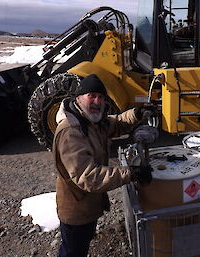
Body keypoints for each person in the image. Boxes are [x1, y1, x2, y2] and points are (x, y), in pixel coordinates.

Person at [52, 74, 153, 257]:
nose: (97, 101)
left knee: (80, 247)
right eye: (91, 95)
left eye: (101, 97)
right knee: (73, 251)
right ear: (78, 98)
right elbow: (89, 177)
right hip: (76, 209)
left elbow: (116, 123)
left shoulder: (92, 121)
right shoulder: (71, 131)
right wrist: (131, 173)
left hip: (88, 205)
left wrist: (136, 114)